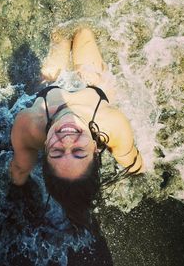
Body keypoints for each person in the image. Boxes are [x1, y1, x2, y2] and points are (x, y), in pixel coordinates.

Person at [10, 28, 144, 230]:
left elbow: (20, 168)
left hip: (52, 85)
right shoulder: (112, 124)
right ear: (96, 149)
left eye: (57, 151)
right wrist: (141, 173)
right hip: (93, 87)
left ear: (45, 148)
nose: (67, 140)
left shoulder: (30, 125)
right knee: (82, 32)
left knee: (61, 36)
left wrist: (15, 191)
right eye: (78, 151)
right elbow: (132, 161)